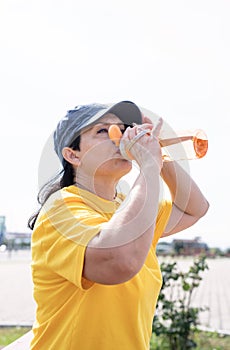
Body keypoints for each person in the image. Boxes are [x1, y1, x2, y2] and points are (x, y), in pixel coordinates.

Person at [28, 101, 209, 350]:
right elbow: (118, 262)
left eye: (123, 129)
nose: (119, 137)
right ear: (73, 155)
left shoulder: (126, 206)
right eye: (102, 131)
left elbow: (195, 208)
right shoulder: (61, 209)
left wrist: (157, 153)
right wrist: (148, 166)